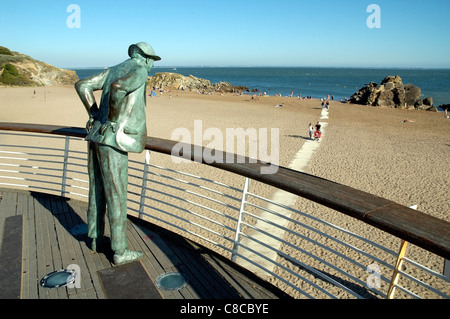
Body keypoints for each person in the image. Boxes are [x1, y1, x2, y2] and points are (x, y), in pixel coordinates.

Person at [75, 42, 161, 265]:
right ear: (142, 57)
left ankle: (94, 239)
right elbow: (118, 89)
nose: (152, 63)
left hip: (95, 136)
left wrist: (95, 115)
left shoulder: (113, 69)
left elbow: (82, 85)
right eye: (151, 58)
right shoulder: (139, 70)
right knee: (116, 194)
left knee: (97, 189)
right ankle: (120, 251)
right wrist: (112, 121)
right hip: (114, 140)